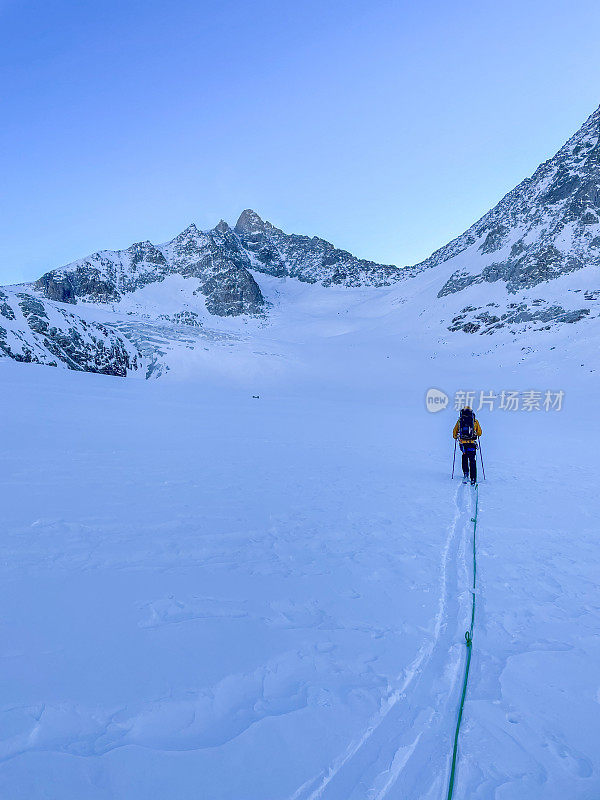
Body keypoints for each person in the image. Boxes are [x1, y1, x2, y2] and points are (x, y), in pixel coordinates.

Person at [453, 406, 482, 485]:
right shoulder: (475, 421)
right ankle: (473, 478)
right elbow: (479, 433)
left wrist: (456, 437)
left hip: (463, 443)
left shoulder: (460, 421)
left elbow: (454, 432)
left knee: (465, 456)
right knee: (472, 459)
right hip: (472, 443)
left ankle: (466, 473)